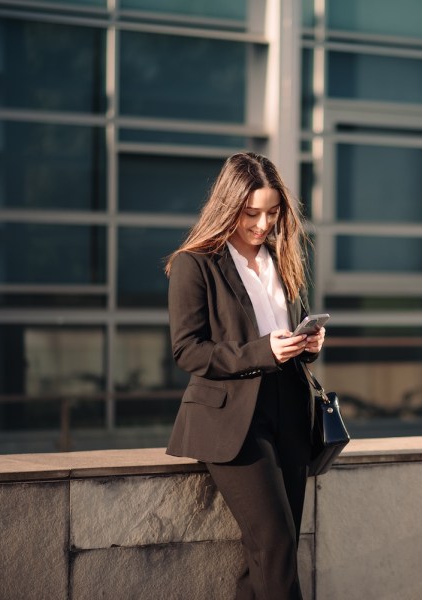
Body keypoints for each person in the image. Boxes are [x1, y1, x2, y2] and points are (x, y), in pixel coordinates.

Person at [164, 152, 324, 599]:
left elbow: (287, 330)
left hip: (290, 412)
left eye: (272, 212)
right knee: (274, 543)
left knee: (274, 551)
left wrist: (306, 344)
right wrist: (264, 351)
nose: (262, 224)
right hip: (233, 421)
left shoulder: (281, 258)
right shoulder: (195, 264)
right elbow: (188, 351)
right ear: (228, 205)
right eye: (251, 213)